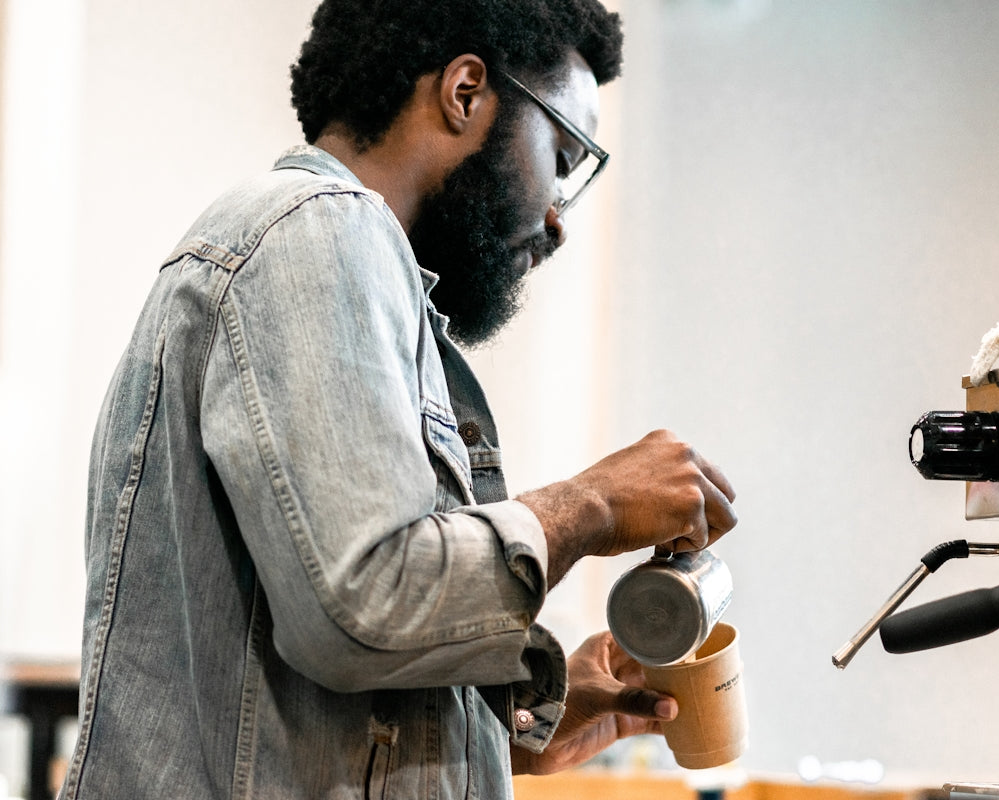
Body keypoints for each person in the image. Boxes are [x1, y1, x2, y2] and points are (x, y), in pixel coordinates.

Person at [60, 1, 738, 798]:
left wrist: (523, 711)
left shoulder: (349, 264)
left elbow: (328, 638)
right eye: (562, 156)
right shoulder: (316, 234)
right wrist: (591, 505)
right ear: (464, 91)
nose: (558, 219)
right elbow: (363, 604)